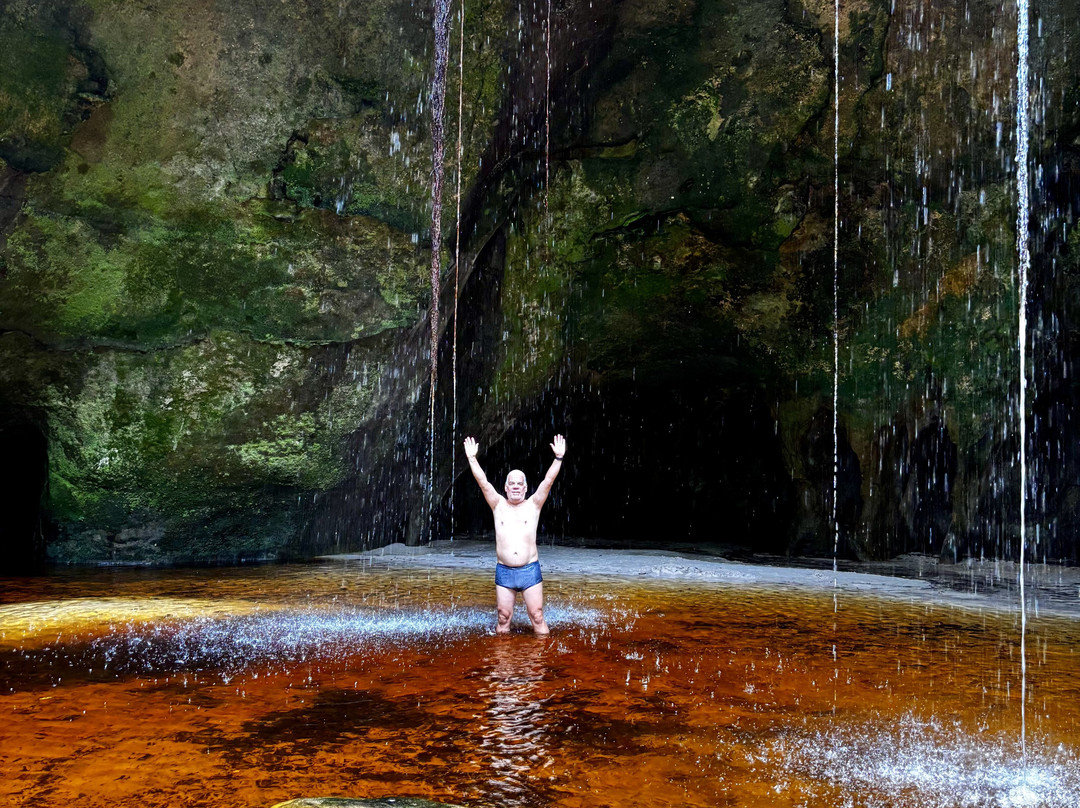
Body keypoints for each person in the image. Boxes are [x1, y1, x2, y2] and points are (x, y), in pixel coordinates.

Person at [463, 434, 566, 635]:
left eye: (520, 484)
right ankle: (503, 662)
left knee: (537, 616)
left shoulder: (534, 504)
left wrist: (559, 458)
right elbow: (483, 482)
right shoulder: (498, 504)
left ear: (526, 488)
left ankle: (539, 663)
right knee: (503, 618)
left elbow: (548, 480)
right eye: (513, 484)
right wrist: (472, 458)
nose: (516, 487)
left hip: (529, 571)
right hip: (505, 572)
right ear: (506, 488)